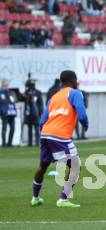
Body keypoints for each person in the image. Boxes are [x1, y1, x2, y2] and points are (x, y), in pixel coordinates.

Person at [31, 70, 89, 207]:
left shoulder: (54, 97)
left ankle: (35, 197)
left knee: (43, 166)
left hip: (45, 133)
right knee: (75, 166)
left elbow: (42, 120)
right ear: (73, 81)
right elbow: (81, 112)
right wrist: (85, 124)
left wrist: (45, 134)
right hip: (60, 135)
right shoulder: (75, 93)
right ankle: (63, 199)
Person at [23, 79, 44, 146]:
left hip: (36, 112)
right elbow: (25, 102)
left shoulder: (38, 92)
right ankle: (30, 143)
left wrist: (41, 112)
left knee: (37, 127)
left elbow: (40, 103)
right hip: (28, 113)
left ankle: (37, 142)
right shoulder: (26, 92)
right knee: (29, 128)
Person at [0, 80, 18, 147]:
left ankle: (9, 143)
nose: (6, 86)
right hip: (4, 113)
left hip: (12, 113)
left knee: (12, 128)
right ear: (2, 85)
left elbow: (15, 100)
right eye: (5, 85)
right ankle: (4, 143)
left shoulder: (11, 92)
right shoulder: (0, 93)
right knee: (4, 128)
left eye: (7, 85)